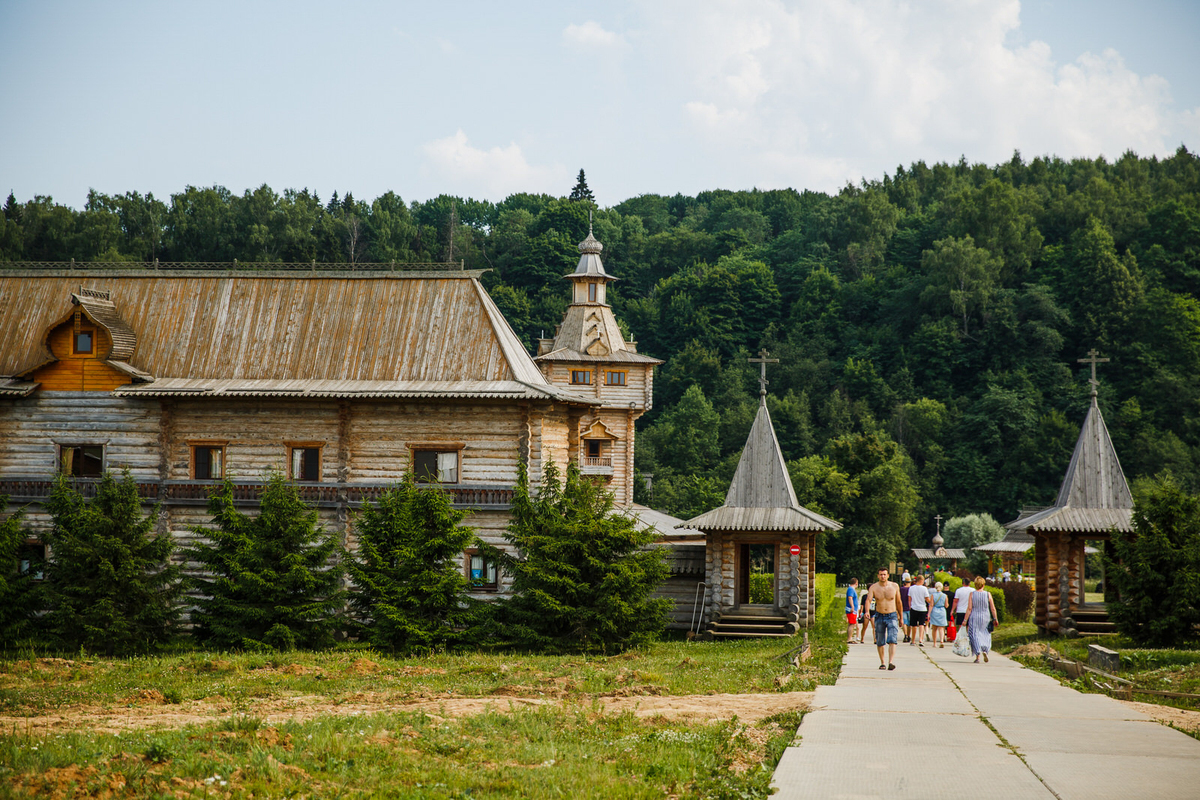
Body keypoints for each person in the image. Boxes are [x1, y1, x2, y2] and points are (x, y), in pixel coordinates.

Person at [864, 567, 902, 670]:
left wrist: (901, 617)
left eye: (884, 574)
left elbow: (898, 602)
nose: (883, 576)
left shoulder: (894, 586)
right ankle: (883, 662)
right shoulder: (874, 587)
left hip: (892, 615)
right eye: (881, 574)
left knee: (892, 639)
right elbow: (868, 600)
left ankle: (891, 662)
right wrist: (867, 611)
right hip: (879, 615)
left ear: (888, 575)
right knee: (880, 640)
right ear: (878, 576)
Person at [960, 576, 1000, 663]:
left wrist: (965, 620)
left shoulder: (972, 594)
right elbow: (992, 608)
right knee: (986, 633)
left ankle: (977, 656)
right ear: (983, 584)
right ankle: (985, 650)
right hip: (985, 617)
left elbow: (969, 608)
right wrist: (995, 618)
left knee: (974, 634)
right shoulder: (987, 594)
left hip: (974, 616)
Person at [907, 574, 930, 647]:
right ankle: (920, 639)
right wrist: (931, 602)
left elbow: (909, 599)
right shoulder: (924, 589)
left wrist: (910, 606)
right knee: (921, 624)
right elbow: (927, 598)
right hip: (922, 608)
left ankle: (913, 640)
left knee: (913, 625)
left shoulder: (911, 588)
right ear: (921, 581)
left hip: (914, 607)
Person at [929, 581, 949, 647]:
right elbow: (946, 605)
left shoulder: (933, 595)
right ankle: (941, 641)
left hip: (935, 611)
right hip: (942, 611)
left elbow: (931, 605)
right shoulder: (944, 595)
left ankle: (934, 643)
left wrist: (929, 614)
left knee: (934, 628)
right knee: (941, 628)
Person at [845, 578, 860, 643]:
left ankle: (850, 638)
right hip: (851, 610)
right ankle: (849, 639)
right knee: (852, 624)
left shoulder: (851, 589)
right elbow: (850, 598)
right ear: (856, 583)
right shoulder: (851, 589)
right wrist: (852, 606)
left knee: (851, 623)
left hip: (853, 610)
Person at [900, 577, 912, 642]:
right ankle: (909, 635)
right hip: (910, 607)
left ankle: (905, 635)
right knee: (909, 623)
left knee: (904, 622)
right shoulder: (911, 589)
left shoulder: (901, 589)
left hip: (902, 607)